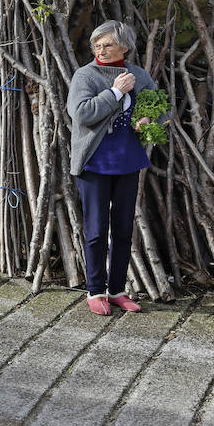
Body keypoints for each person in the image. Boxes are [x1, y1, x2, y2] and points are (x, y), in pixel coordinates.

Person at [67, 19, 158, 315]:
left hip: (127, 162)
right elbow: (82, 114)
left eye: (107, 45)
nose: (101, 50)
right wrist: (116, 93)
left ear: (125, 47)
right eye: (97, 45)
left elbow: (158, 106)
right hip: (95, 164)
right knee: (95, 230)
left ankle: (117, 290)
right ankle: (95, 291)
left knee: (122, 229)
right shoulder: (86, 75)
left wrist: (148, 119)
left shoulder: (139, 75)